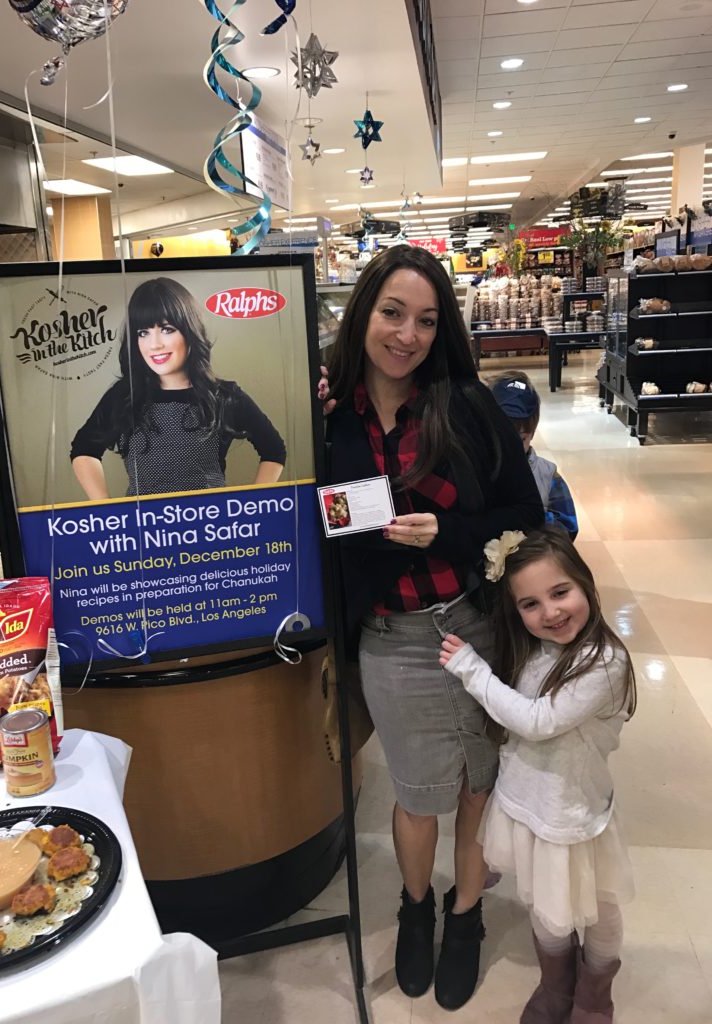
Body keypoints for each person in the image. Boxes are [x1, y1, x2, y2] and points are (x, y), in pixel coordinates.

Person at [322, 245, 543, 1009]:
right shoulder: (328, 413)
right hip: (391, 638)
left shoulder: (465, 404)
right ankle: (416, 908)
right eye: (392, 313)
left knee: (481, 786)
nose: (407, 335)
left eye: (425, 319)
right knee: (419, 794)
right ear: (364, 315)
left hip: (476, 627)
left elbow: (527, 516)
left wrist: (446, 534)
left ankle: (467, 913)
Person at [439, 526, 636, 1023]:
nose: (549, 612)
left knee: (599, 908)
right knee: (545, 908)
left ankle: (594, 993)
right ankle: (556, 983)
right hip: (526, 807)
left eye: (560, 592)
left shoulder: (604, 662)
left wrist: (471, 669)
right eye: (530, 604)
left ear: (586, 584)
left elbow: (537, 721)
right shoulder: (531, 650)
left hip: (574, 818)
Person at [71, 277, 286, 499]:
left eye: (166, 329)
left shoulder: (224, 397)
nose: (154, 344)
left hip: (212, 526)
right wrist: (107, 509)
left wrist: (253, 507)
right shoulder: (125, 395)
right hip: (145, 528)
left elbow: (274, 450)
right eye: (143, 332)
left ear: (189, 331)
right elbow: (83, 450)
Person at [490, 371, 578, 540]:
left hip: (532, 558)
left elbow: (568, 527)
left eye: (521, 439)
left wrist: (532, 519)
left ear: (532, 433)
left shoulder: (548, 474)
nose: (511, 448)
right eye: (504, 437)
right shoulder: (478, 470)